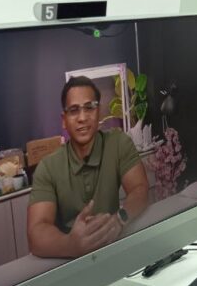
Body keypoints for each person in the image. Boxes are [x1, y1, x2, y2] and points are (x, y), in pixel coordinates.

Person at [27, 75, 149, 258]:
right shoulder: (48, 167)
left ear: (98, 111)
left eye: (89, 107)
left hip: (113, 246)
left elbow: (140, 188)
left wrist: (120, 219)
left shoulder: (118, 143)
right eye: (74, 110)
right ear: (64, 120)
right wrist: (71, 245)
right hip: (69, 259)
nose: (82, 118)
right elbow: (36, 231)